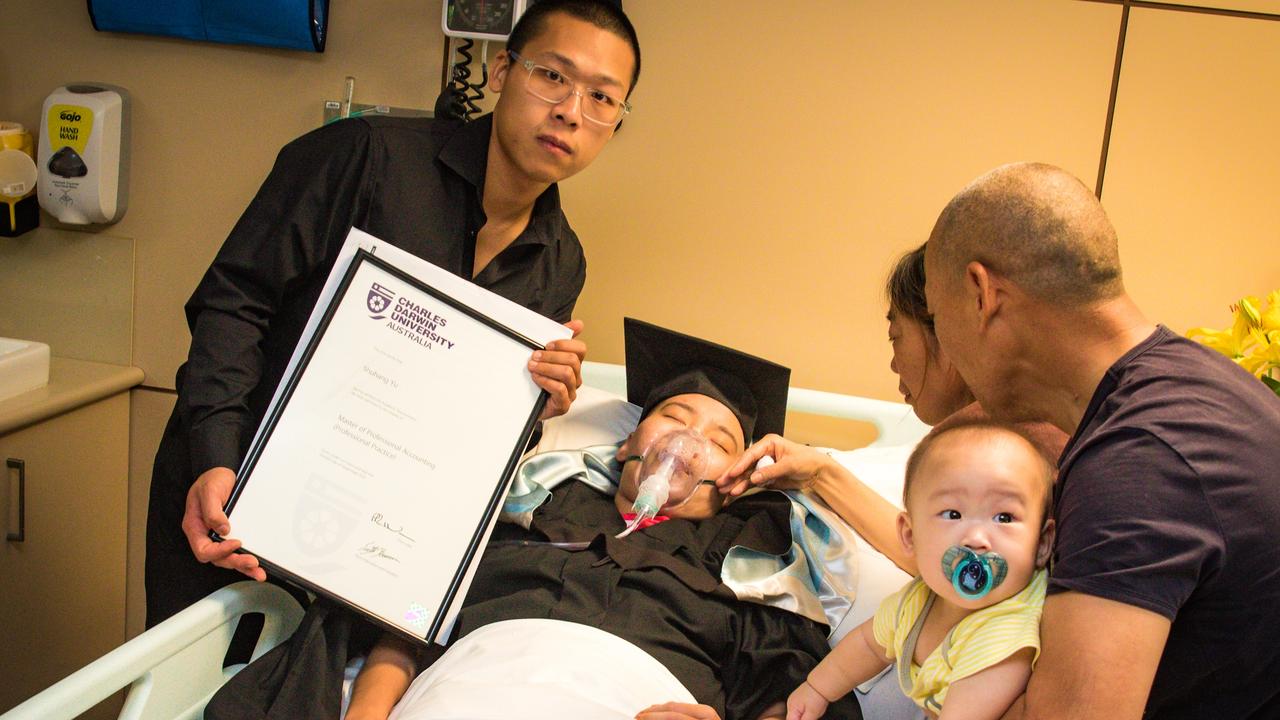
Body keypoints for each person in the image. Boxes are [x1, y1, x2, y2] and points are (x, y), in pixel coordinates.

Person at [145, 0, 641, 626]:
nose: (571, 111)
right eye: (552, 76)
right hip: (230, 488)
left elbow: (467, 436)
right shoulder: (363, 157)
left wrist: (533, 410)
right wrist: (215, 457)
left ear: (615, 124)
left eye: (602, 98)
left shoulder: (560, 264)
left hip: (370, 542)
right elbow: (234, 303)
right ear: (499, 71)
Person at [205, 318, 861, 720]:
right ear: (629, 442)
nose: (687, 444)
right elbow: (407, 623)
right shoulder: (529, 508)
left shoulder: (752, 569)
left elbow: (788, 700)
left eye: (719, 441)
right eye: (674, 419)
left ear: (734, 481)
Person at [921, 162, 1280, 718]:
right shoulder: (1202, 383)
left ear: (981, 293)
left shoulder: (1139, 463)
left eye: (937, 317)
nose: (947, 348)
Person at [719, 245, 1065, 577]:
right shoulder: (1041, 407)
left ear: (946, 329)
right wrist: (820, 472)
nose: (893, 363)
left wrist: (821, 474)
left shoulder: (996, 441)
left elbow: (939, 559)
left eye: (895, 336)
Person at [786, 421, 1056, 720]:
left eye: (1004, 517)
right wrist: (817, 690)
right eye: (953, 514)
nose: (977, 539)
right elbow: (869, 646)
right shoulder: (918, 601)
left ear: (1042, 544)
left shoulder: (1005, 632)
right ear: (910, 536)